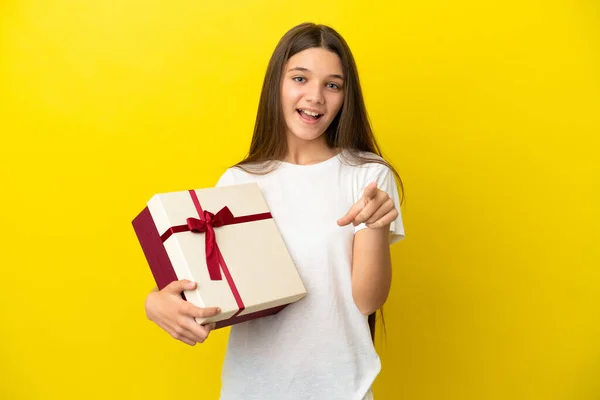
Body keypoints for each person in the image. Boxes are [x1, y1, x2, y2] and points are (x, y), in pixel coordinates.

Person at [144, 22, 406, 400]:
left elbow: (367, 301)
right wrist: (154, 302)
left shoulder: (367, 176)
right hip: (251, 390)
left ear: (346, 97)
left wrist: (377, 225)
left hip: (342, 389)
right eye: (300, 78)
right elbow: (203, 284)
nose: (315, 96)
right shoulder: (238, 181)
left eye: (332, 85)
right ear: (276, 85)